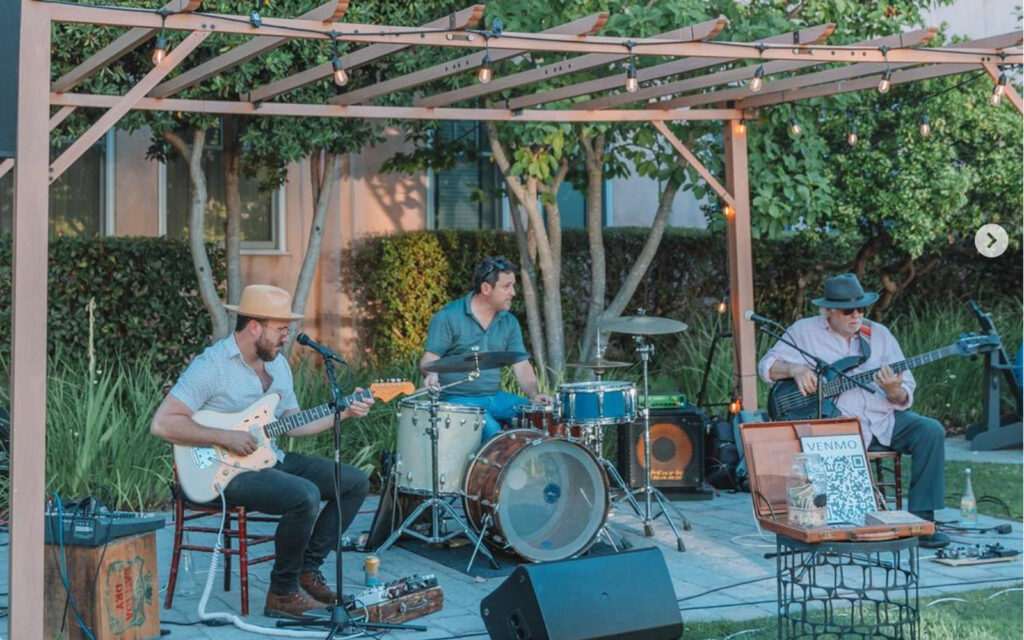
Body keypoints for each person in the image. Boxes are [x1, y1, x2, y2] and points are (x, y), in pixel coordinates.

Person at [150, 284, 373, 618]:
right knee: (305, 495)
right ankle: (282, 594)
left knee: (354, 482)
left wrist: (343, 411)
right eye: (280, 329)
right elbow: (163, 423)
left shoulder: (278, 366)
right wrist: (224, 436)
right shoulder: (211, 365)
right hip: (219, 474)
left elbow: (293, 423)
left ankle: (306, 571)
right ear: (254, 326)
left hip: (269, 460)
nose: (286, 336)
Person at [757, 273, 950, 548]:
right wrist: (795, 368)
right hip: (834, 426)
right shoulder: (804, 332)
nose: (856, 315)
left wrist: (894, 388)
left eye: (861, 308)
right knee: (831, 442)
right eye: (848, 310)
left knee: (930, 431)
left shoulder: (879, 335)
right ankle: (840, 526)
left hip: (882, 419)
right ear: (828, 311)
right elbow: (766, 367)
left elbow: (904, 390)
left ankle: (922, 521)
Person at [421, 256, 550, 440]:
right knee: (494, 434)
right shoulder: (448, 317)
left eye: (513, 285)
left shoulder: (509, 321)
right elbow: (428, 361)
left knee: (540, 418)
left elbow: (521, 365)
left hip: (495, 397)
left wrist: (534, 395)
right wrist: (431, 373)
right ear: (486, 288)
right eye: (506, 287)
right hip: (458, 401)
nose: (513, 292)